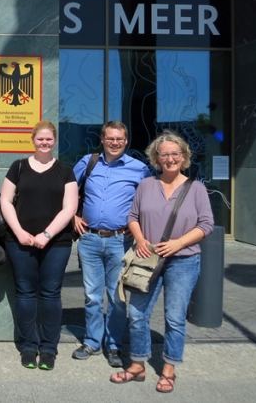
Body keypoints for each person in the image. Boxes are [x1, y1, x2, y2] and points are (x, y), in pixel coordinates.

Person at [110, 130, 214, 393]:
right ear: (156, 158)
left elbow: (206, 225)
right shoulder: (146, 185)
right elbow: (132, 217)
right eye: (164, 154)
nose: (170, 159)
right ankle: (138, 364)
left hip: (184, 261)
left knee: (175, 318)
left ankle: (169, 369)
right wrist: (140, 240)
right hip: (147, 259)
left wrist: (179, 243)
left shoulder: (196, 188)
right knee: (137, 314)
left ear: (184, 156)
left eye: (175, 154)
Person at [0, 120, 78, 371]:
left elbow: (70, 207)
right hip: (20, 242)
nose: (44, 143)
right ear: (33, 140)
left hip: (57, 243)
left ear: (55, 141)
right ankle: (28, 346)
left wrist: (46, 234)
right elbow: (5, 201)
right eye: (40, 139)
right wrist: (19, 232)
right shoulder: (18, 167)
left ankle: (48, 349)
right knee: (25, 294)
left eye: (49, 139)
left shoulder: (65, 170)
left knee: (51, 294)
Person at [72, 121, 150, 367]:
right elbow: (67, 191)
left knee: (117, 297)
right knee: (92, 296)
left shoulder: (139, 169)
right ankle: (92, 342)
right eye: (110, 138)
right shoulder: (88, 162)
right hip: (90, 239)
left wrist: (138, 225)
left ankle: (114, 345)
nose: (114, 142)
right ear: (102, 139)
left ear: (126, 141)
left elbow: (149, 202)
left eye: (119, 139)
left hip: (121, 241)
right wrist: (73, 216)